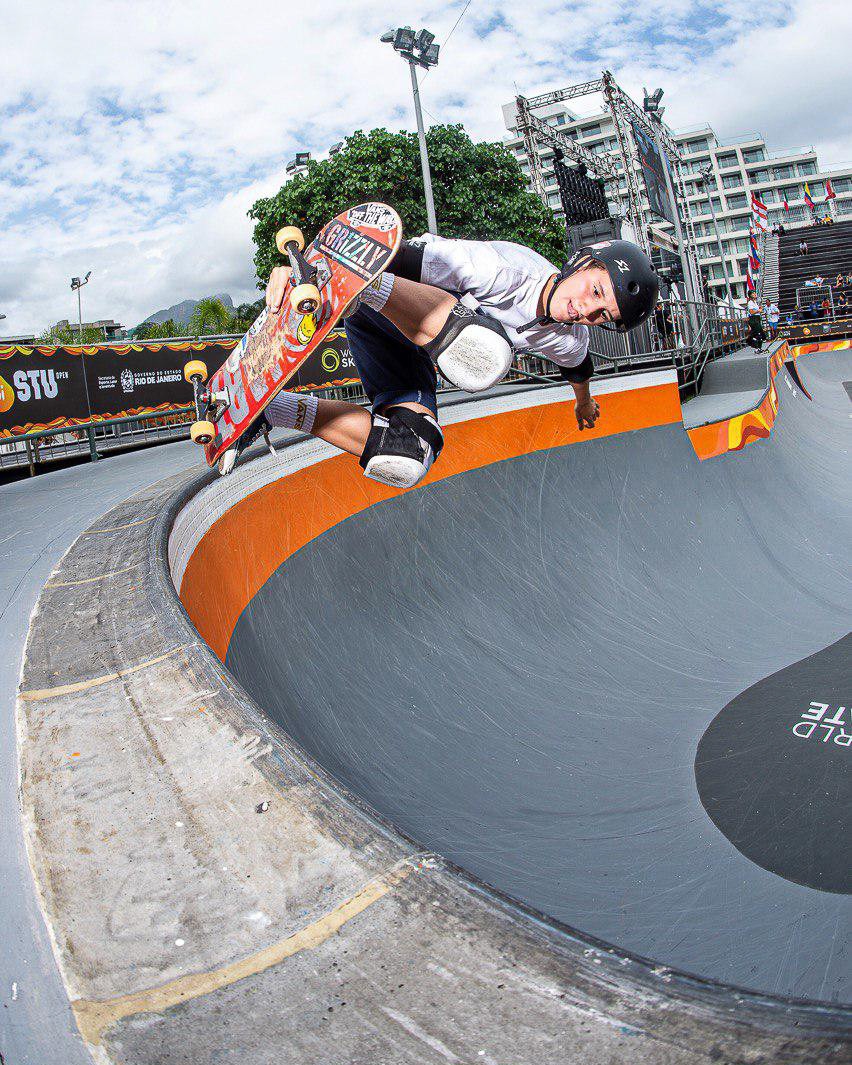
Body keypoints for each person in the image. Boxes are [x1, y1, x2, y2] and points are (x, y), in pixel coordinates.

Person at [253, 236, 660, 486]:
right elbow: (401, 254)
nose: (585, 309)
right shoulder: (503, 269)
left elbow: (578, 367)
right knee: (486, 346)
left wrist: (583, 401)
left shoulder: (570, 338)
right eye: (595, 290)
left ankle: (272, 411)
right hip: (387, 296)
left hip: (406, 356)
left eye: (602, 314)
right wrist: (315, 268)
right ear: (583, 263)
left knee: (409, 454)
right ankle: (364, 289)